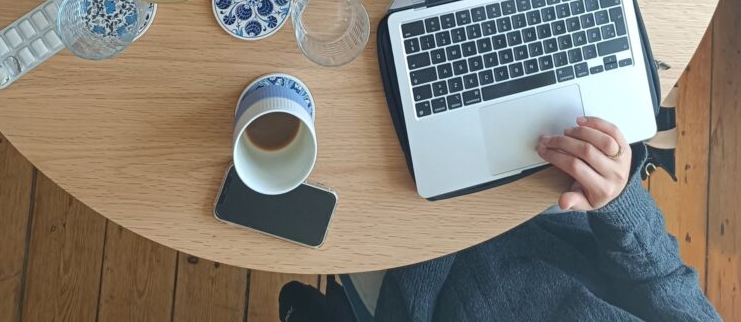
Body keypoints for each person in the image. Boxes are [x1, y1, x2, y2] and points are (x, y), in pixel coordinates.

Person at [279, 116, 721, 322]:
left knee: (331, 151)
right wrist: (619, 197)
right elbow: (662, 279)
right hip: (542, 222)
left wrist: (442, 220)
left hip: (416, 291)